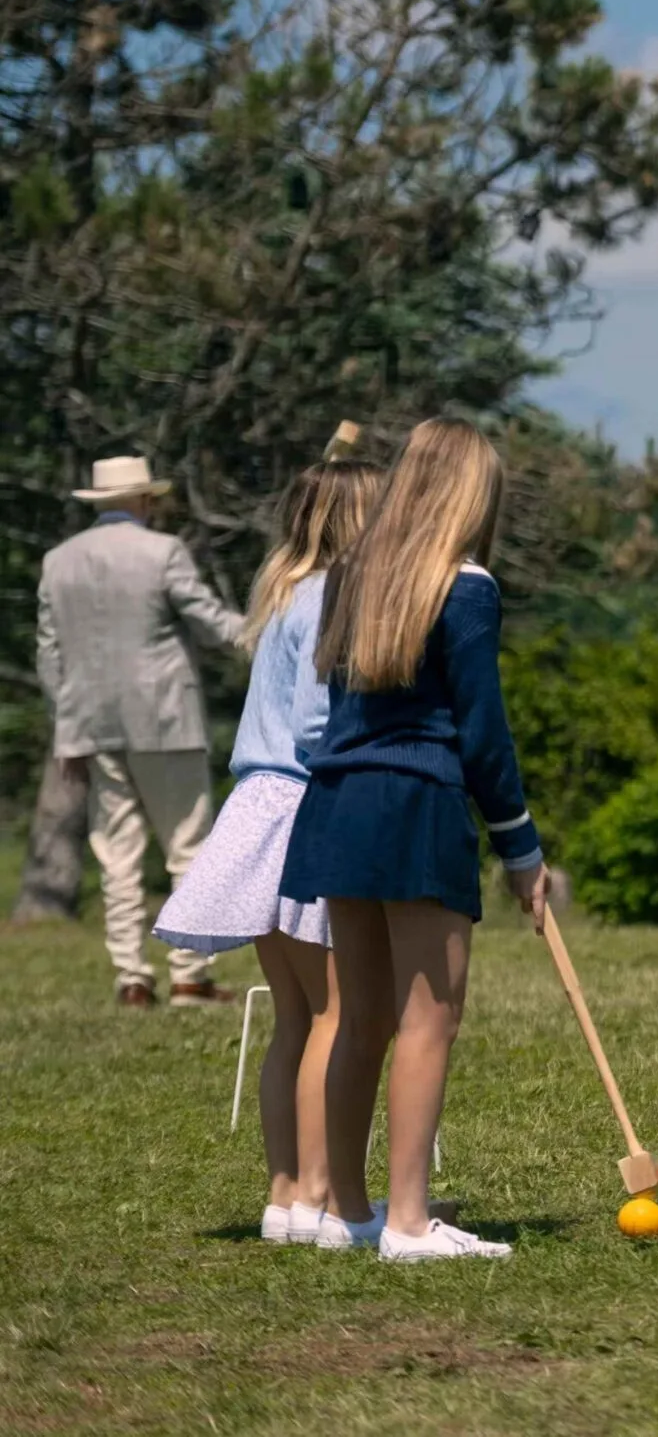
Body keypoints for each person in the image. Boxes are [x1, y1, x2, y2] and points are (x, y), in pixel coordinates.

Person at [277, 420, 547, 1261]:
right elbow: (484, 734)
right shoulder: (465, 588)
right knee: (431, 1019)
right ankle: (408, 1222)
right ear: (471, 498)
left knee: (360, 1019)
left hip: (337, 802)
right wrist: (522, 847)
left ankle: (346, 1213)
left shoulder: (353, 577)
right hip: (416, 807)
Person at [153, 459, 382, 1244]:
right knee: (335, 1012)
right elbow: (319, 722)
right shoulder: (330, 597)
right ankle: (319, 1194)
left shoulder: (282, 591)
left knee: (294, 1016)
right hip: (300, 806)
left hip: (254, 806)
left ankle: (284, 1194)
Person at [36, 454, 246, 1007]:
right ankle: (188, 973)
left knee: (117, 856)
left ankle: (131, 975)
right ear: (142, 501)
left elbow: (48, 654)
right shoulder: (163, 552)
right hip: (164, 719)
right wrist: (262, 630)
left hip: (94, 726)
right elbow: (206, 618)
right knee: (189, 848)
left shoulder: (58, 561)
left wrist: (68, 725)